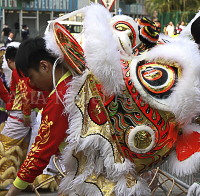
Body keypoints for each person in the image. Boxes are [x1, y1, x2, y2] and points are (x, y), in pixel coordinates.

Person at [5, 36, 73, 196]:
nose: (31, 84)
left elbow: (40, 152)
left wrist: (11, 193)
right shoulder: (70, 81)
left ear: (44, 66)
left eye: (31, 77)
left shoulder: (60, 97)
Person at [0, 45, 39, 195]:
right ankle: (24, 183)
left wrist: (27, 115)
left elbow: (24, 94)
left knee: (6, 146)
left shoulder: (18, 71)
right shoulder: (28, 69)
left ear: (10, 61)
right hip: (30, 114)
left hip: (21, 115)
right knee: (26, 150)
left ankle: (6, 183)